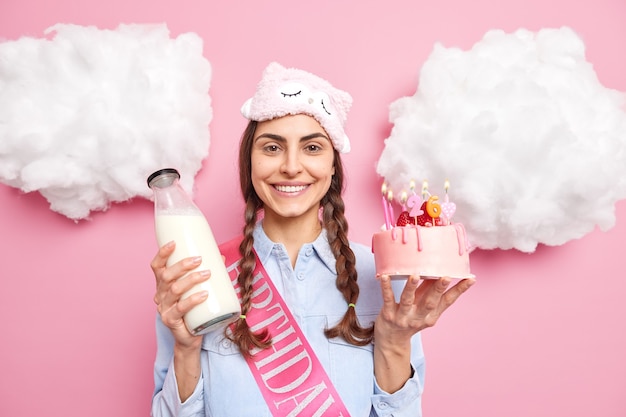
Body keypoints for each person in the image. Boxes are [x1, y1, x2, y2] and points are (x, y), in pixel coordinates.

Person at [149, 62, 475, 417]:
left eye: (312, 148)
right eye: (272, 148)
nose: (291, 166)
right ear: (250, 163)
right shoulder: (201, 276)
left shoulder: (382, 276)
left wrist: (395, 343)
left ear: (333, 164)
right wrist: (185, 348)